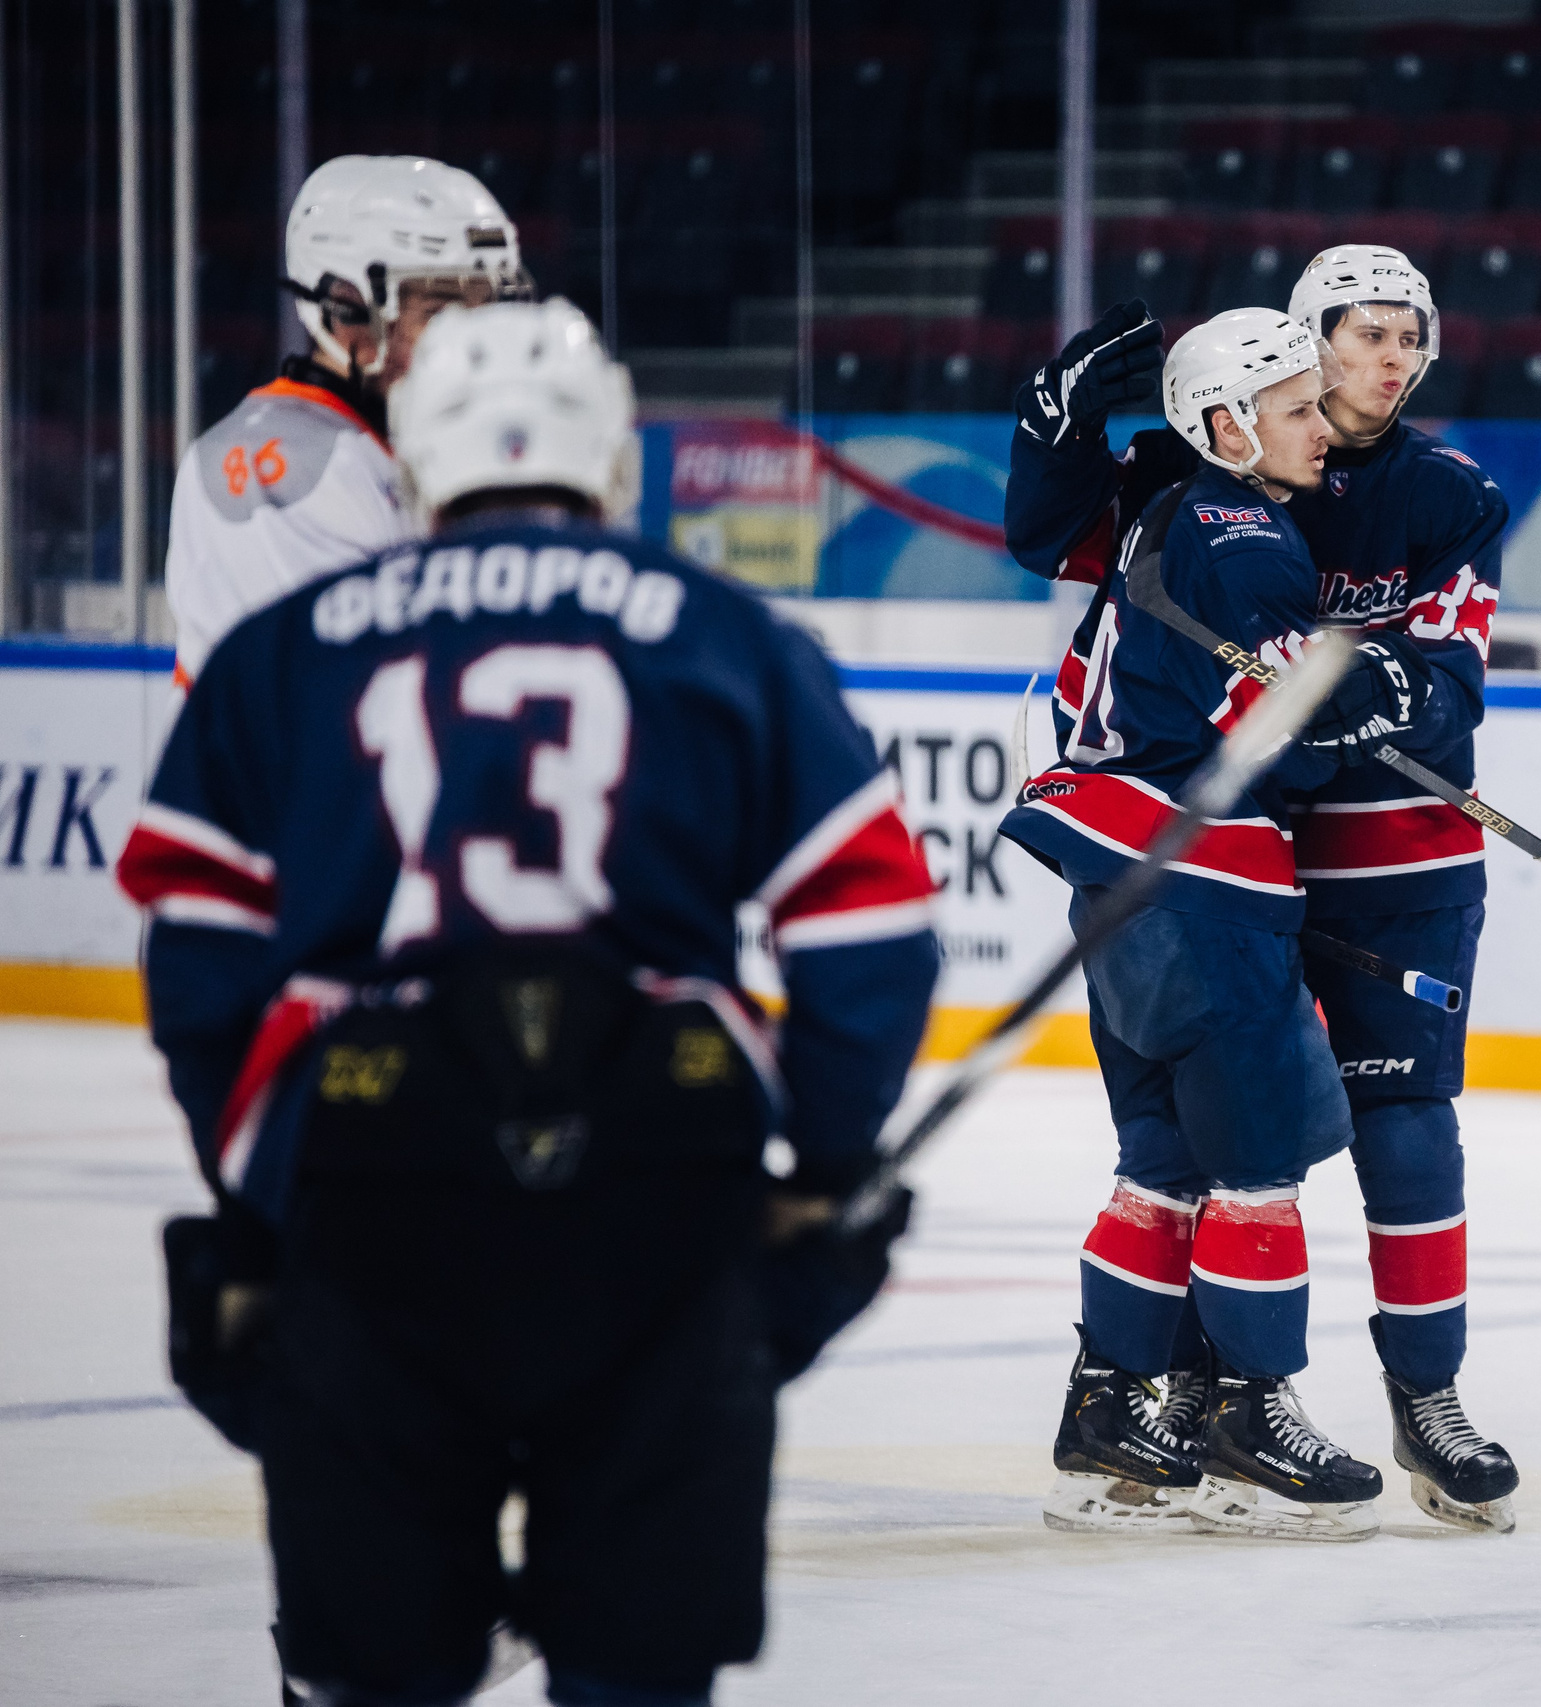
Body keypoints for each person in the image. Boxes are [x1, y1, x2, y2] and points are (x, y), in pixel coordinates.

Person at [116, 299, 939, 1706]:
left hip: (372, 1180)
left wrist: (260, 1176)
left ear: (419, 463)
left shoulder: (285, 646)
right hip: (657, 1176)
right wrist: (816, 1151)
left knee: (373, 1662)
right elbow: (866, 914)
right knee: (637, 1659)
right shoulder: (730, 631)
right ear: (614, 459)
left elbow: (197, 939)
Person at [1005, 248, 1522, 1536]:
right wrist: (1057, 437)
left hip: (1376, 858)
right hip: (1235, 851)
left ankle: (1423, 1398)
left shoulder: (1445, 492)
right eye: (1360, 335)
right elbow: (1053, 542)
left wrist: (1380, 702)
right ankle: (1205, 1398)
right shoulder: (1211, 483)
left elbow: (1446, 690)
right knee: (1226, 1143)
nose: (1389, 359)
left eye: (1412, 333)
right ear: (1298, 348)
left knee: (1395, 1131)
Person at [165, 154, 531, 685]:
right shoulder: (283, 463)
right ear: (346, 309)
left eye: (484, 308)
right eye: (441, 312)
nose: (471, 339)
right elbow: (334, 708)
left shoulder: (406, 446)